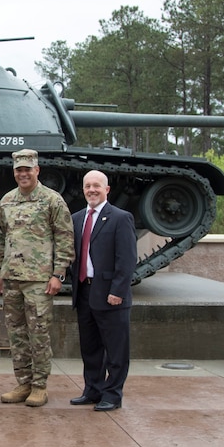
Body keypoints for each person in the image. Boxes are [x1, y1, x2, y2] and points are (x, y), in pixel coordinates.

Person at [0, 149, 74, 407]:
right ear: (14, 172)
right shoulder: (6, 201)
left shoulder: (52, 200)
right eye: (19, 170)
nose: (23, 173)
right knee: (16, 334)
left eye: (28, 169)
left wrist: (58, 273)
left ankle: (39, 385)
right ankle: (23, 382)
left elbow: (64, 238)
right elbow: (0, 238)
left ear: (37, 170)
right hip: (12, 277)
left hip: (39, 280)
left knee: (39, 334)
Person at [69, 170, 137, 411]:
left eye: (97, 185)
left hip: (110, 294)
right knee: (90, 347)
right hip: (84, 291)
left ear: (107, 189)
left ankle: (113, 394)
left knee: (116, 349)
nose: (92, 190)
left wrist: (118, 290)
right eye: (87, 186)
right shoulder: (77, 218)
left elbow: (127, 259)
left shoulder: (120, 217)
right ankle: (93, 389)